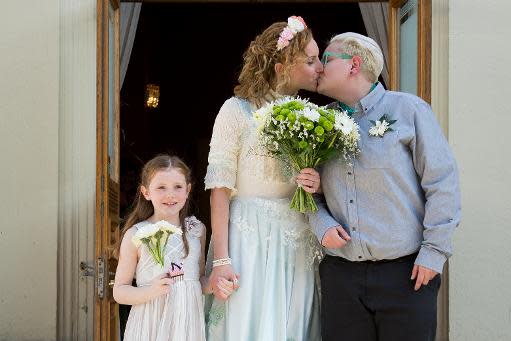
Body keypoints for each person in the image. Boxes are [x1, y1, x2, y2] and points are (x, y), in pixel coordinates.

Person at [309, 32, 461, 341]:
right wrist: (321, 223)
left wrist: (433, 253)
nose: (318, 68)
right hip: (342, 278)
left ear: (353, 65)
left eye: (326, 59)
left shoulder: (409, 111)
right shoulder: (318, 124)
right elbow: (306, 191)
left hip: (407, 275)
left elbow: (442, 183)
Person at [204, 16, 323, 341]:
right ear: (282, 65)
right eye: (310, 60)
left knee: (293, 322)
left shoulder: (311, 116)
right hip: (248, 238)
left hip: (296, 236)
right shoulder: (235, 111)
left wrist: (316, 182)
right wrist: (222, 260)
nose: (320, 68)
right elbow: (219, 191)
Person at [113, 154, 234, 341]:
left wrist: (214, 284)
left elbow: (197, 280)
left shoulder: (196, 231)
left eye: (178, 187)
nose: (170, 194)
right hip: (151, 325)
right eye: (161, 187)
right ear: (146, 192)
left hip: (187, 326)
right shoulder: (136, 234)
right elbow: (120, 291)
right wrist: (151, 291)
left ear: (188, 190)